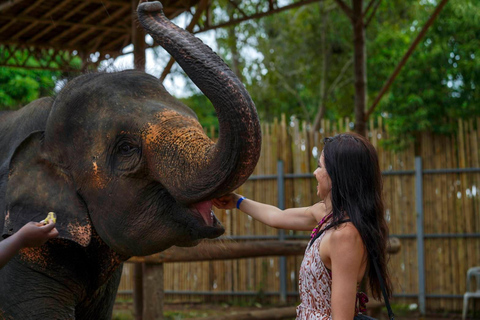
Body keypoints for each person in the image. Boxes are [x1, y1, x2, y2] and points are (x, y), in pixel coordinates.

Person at [213, 132, 392, 320]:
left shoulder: (345, 237)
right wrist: (237, 201)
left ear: (337, 176)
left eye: (320, 166)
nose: (315, 172)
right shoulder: (326, 216)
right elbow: (277, 216)